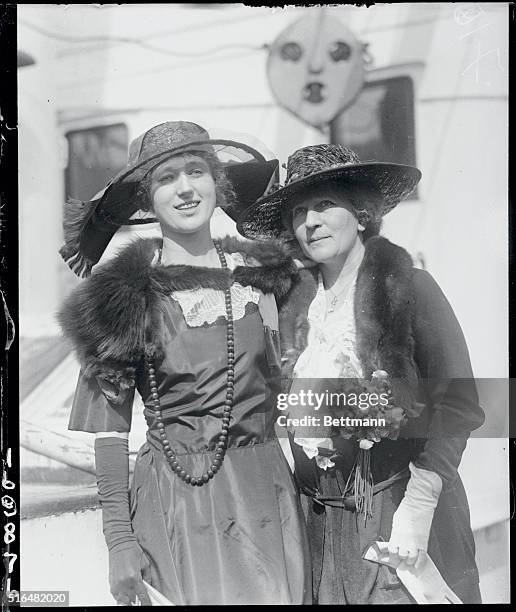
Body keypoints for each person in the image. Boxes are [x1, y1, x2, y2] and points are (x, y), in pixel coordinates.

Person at [57, 121, 311, 606]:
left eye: (197, 171)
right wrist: (119, 542)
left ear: (218, 184)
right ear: (147, 200)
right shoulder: (120, 298)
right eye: (166, 178)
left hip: (268, 496)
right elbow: (110, 433)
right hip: (178, 502)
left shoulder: (267, 279)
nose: (185, 189)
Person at [237, 144, 485, 604]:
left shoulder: (409, 288)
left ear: (362, 213)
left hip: (402, 510)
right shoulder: (292, 308)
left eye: (325, 205)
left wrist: (421, 501)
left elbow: (461, 403)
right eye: (298, 212)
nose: (310, 222)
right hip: (322, 526)